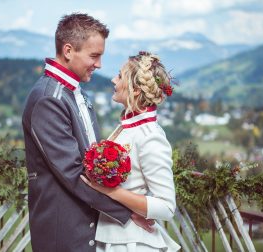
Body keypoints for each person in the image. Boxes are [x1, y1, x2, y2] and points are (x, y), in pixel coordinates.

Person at [22, 14, 152, 252]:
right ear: (69, 51)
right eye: (94, 56)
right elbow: (73, 173)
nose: (99, 64)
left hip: (88, 225)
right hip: (64, 231)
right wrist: (126, 211)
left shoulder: (76, 93)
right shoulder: (49, 100)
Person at [81, 51, 181, 251]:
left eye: (119, 76)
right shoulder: (128, 127)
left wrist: (112, 191)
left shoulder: (150, 135)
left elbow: (166, 207)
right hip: (113, 237)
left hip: (132, 244)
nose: (113, 80)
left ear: (135, 90)